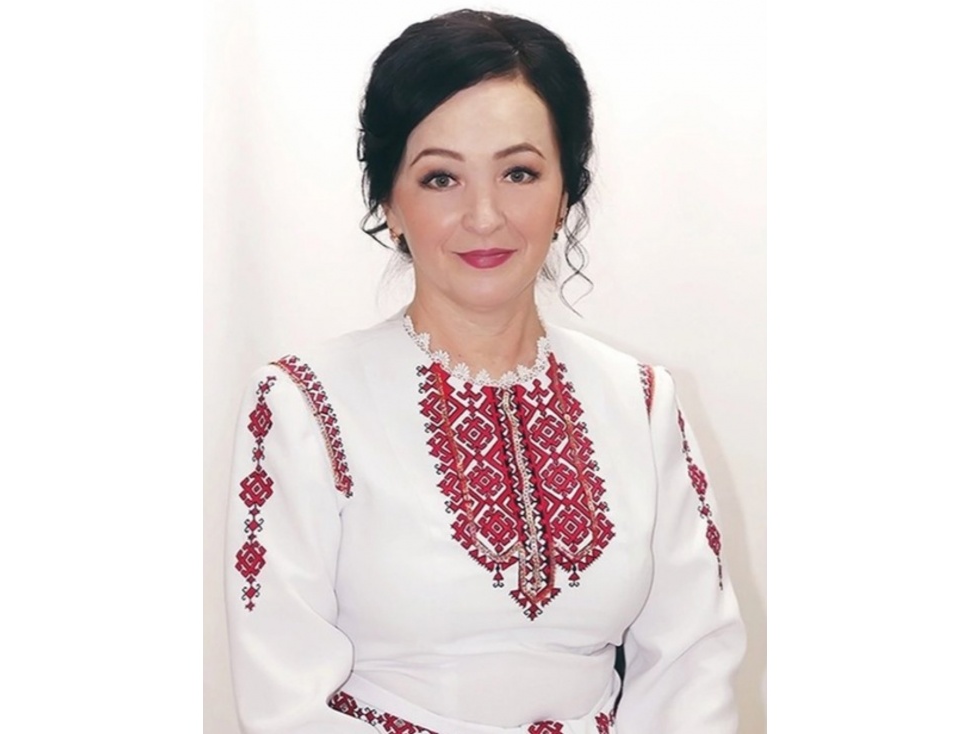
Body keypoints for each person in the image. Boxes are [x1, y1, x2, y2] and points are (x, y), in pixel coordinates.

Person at [225, 9, 745, 733]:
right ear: (389, 201)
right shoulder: (302, 404)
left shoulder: (643, 401)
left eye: (519, 172)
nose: (484, 215)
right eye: (441, 177)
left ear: (565, 193)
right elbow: (286, 703)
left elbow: (693, 665)